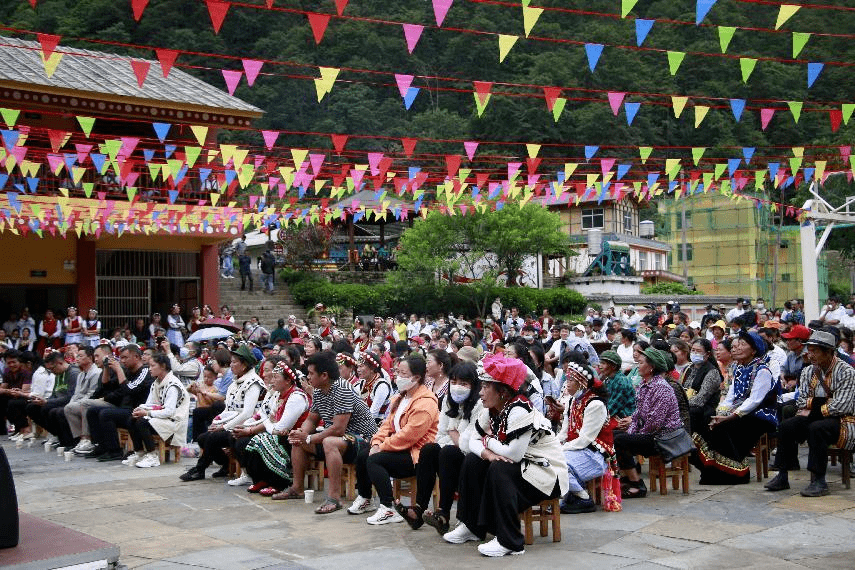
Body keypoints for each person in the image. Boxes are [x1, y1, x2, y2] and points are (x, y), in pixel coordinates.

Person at [444, 353, 568, 557]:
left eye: (486, 387)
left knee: (500, 468)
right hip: (524, 468)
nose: (481, 392)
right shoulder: (491, 409)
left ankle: (509, 541)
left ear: (501, 391)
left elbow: (514, 454)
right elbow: (469, 442)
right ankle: (471, 526)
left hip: (546, 474)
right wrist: (487, 452)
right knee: (473, 460)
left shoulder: (520, 408)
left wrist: (488, 443)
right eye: (481, 386)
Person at [277, 350, 377, 512]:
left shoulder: (342, 388)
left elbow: (338, 428)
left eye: (310, 373)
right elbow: (311, 419)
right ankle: (297, 488)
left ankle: (334, 498)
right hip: (340, 438)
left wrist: (310, 438)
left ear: (324, 375)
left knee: (329, 442)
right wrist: (302, 433)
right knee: (298, 440)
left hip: (363, 439)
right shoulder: (318, 390)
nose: (308, 377)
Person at [351, 354, 439, 525]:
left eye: (403, 374)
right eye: (397, 372)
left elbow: (408, 436)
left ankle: (387, 507)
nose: (398, 377)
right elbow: (387, 425)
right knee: (363, 454)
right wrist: (376, 442)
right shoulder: (401, 397)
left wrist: (382, 447)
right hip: (399, 449)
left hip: (415, 455)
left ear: (417, 377)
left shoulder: (426, 402)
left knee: (375, 460)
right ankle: (365, 497)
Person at [765, 330, 855, 496]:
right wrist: (822, 403)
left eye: (815, 350)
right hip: (819, 415)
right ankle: (782, 475)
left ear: (828, 352)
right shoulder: (808, 371)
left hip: (841, 420)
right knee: (786, 426)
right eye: (809, 349)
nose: (810, 354)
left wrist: (812, 406)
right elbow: (801, 401)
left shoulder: (846, 371)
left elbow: (843, 406)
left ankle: (819, 480)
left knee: (816, 428)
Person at [691, 331, 778, 485]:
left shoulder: (762, 370)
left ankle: (737, 473)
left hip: (760, 415)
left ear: (753, 350)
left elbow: (754, 401)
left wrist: (729, 416)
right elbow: (731, 395)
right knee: (708, 421)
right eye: (736, 346)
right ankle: (715, 469)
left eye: (742, 345)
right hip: (739, 411)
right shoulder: (738, 368)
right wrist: (721, 412)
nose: (735, 349)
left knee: (723, 427)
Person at [412, 361, 483, 535]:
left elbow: (467, 443)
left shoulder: (480, 404)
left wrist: (452, 431)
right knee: (429, 449)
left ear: (473, 386)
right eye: (454, 382)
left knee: (448, 453)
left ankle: (443, 512)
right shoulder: (448, 401)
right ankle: (419, 509)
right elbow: (440, 435)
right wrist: (453, 434)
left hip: (472, 458)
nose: (457, 387)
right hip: (450, 452)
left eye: (464, 384)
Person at [179, 344, 265, 481]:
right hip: (232, 424)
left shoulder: (253, 383)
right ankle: (225, 465)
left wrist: (224, 427)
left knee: (212, 438)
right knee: (203, 438)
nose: (231, 365)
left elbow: (247, 413)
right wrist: (217, 421)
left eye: (234, 362)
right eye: (231, 361)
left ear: (244, 365)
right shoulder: (234, 383)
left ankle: (200, 469)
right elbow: (228, 409)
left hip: (246, 426)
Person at [613, 348, 683, 498]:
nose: (638, 366)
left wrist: (634, 433)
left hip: (664, 437)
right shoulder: (644, 386)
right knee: (613, 435)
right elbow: (638, 414)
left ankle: (636, 484)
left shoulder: (661, 388)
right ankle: (626, 477)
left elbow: (655, 423)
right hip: (650, 432)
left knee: (620, 440)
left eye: (641, 363)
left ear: (651, 367)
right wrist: (631, 430)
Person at [242, 361, 311, 495]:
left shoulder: (296, 397)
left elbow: (279, 428)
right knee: (251, 442)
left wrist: (270, 423)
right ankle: (262, 480)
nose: (272, 380)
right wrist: (270, 423)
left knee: (262, 440)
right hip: (284, 435)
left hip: (295, 438)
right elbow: (270, 421)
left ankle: (280, 482)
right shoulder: (278, 395)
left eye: (276, 377)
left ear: (287, 381)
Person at [559, 360, 617, 514]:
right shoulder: (573, 400)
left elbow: (585, 439)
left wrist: (559, 449)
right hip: (576, 450)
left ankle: (582, 497)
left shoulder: (595, 404)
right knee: (546, 459)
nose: (567, 383)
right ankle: (573, 494)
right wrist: (553, 444)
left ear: (582, 382)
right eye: (567, 379)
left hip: (594, 454)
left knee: (557, 462)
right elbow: (565, 431)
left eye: (571, 380)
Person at [82, 344, 153, 461]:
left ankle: (115, 450)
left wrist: (119, 369)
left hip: (137, 411)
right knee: (92, 411)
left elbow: (128, 390)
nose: (122, 361)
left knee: (106, 414)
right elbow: (106, 385)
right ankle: (102, 446)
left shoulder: (144, 371)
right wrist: (106, 368)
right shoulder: (128, 371)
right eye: (121, 358)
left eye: (125, 357)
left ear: (136, 357)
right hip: (125, 409)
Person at [125, 353, 190, 468]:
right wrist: (141, 408)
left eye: (152, 365)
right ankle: (140, 452)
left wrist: (147, 412)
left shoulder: (173, 385)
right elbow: (150, 403)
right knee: (132, 419)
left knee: (142, 422)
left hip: (174, 421)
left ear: (163, 366)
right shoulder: (156, 383)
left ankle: (152, 455)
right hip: (161, 417)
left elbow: (169, 412)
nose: (149, 369)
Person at [682, 339, 723, 436]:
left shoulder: (712, 372)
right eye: (693, 350)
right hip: (686, 404)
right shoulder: (687, 368)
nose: (694, 353)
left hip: (703, 409)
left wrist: (681, 404)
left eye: (698, 351)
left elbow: (701, 399)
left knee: (688, 413)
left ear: (708, 354)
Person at [354, 351, 393, 425]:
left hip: (377, 425)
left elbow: (372, 414)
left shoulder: (381, 386)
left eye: (361, 366)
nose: (358, 370)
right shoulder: (362, 383)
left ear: (372, 368)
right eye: (358, 366)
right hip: (362, 422)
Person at [596, 350, 636, 420]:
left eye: (603, 363)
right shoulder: (608, 379)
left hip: (625, 417)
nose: (600, 366)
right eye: (600, 363)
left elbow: (612, 408)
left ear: (613, 366)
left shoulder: (621, 382)